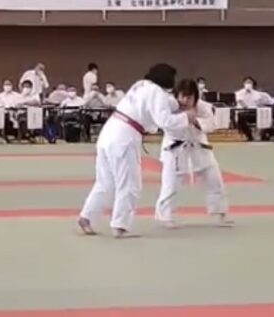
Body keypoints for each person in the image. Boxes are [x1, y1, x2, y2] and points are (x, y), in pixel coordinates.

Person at [78, 63, 195, 238]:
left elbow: (164, 102)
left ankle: (86, 217)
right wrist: (186, 117)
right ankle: (120, 226)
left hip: (109, 132)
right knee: (130, 183)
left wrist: (177, 104)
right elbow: (164, 121)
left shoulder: (140, 85)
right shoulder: (157, 92)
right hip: (124, 137)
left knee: (104, 182)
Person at [156, 79, 231, 228]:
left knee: (214, 179)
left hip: (199, 146)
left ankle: (219, 213)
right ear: (176, 95)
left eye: (189, 97)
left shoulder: (203, 107)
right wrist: (184, 118)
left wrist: (195, 120)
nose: (185, 101)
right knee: (171, 183)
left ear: (195, 96)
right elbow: (165, 124)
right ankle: (165, 216)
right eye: (182, 96)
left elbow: (211, 125)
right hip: (175, 148)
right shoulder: (169, 106)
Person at [234, 77, 273, 141]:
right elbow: (240, 102)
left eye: (250, 82)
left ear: (253, 84)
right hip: (243, 113)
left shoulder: (257, 94)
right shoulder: (239, 93)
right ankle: (249, 135)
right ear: (244, 83)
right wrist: (246, 107)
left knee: (267, 116)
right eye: (247, 82)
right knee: (241, 118)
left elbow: (259, 103)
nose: (248, 84)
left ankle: (262, 135)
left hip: (254, 113)